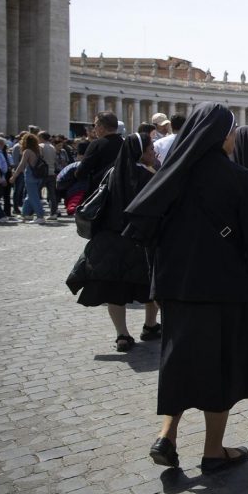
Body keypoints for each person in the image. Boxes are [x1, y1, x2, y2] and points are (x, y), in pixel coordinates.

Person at [124, 103, 248, 474]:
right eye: (231, 131)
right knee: (220, 366)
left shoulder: (170, 174)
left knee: (179, 360)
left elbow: (147, 232)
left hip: (176, 285)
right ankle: (213, 451)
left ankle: (167, 435)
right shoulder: (239, 178)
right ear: (220, 136)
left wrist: (159, 282)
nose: (233, 138)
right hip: (225, 285)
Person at [66, 133, 161, 350]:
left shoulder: (112, 173)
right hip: (139, 240)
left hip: (109, 240)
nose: (153, 152)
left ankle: (122, 335)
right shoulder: (148, 175)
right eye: (150, 149)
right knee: (149, 286)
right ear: (140, 152)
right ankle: (150, 325)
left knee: (115, 291)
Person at [76, 112, 124, 196]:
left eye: (95, 125)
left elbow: (80, 172)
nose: (94, 129)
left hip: (99, 193)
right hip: (120, 192)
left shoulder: (96, 144)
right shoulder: (125, 144)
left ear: (101, 128)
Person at [8, 133, 47, 224]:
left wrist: (14, 176)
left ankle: (40, 216)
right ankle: (24, 215)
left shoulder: (27, 151)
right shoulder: (39, 150)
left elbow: (21, 165)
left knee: (33, 197)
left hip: (30, 176)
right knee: (29, 196)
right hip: (39, 175)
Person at [38, 132, 59, 217]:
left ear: (41, 137)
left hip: (42, 173)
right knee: (52, 194)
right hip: (52, 172)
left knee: (36, 192)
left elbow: (39, 159)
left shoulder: (40, 146)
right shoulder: (52, 147)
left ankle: (34, 211)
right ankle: (53, 213)